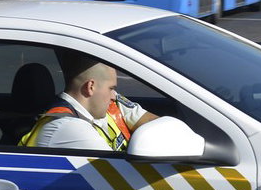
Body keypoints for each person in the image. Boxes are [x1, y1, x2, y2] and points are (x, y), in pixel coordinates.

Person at [19, 55, 158, 151]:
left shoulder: (105, 104)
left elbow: (154, 123)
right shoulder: (66, 127)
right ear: (91, 87)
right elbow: (120, 172)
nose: (114, 96)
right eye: (111, 88)